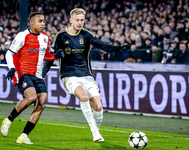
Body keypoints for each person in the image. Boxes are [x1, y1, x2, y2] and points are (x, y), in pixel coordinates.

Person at [42, 8, 130, 142]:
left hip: (86, 75)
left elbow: (103, 46)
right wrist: (43, 74)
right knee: (83, 97)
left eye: (82, 20)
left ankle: (96, 128)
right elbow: (51, 57)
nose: (79, 22)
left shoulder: (86, 35)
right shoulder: (61, 36)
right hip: (69, 75)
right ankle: (95, 132)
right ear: (71, 20)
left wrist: (119, 47)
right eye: (77, 20)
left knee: (98, 108)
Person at [1, 12, 64, 144]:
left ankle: (23, 135)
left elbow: (45, 56)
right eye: (40, 21)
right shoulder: (22, 36)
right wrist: (11, 68)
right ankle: (8, 120)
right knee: (31, 97)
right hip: (23, 73)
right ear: (32, 22)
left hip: (38, 75)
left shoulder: (45, 38)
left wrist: (54, 56)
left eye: (43, 21)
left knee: (42, 103)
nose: (43, 24)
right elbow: (9, 53)